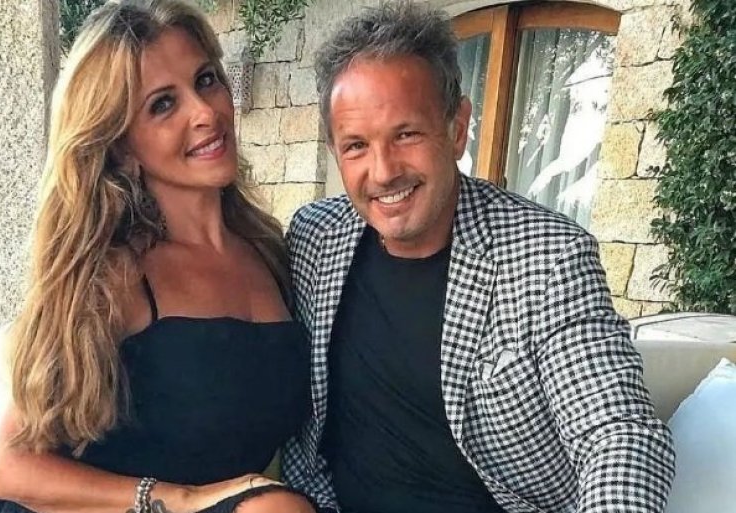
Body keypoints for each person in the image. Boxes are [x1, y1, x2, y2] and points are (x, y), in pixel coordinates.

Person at [280, 3, 675, 512]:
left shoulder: (547, 256)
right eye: (356, 145)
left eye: (406, 134)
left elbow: (617, 433)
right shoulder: (316, 237)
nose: (383, 172)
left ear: (457, 127)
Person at [0, 1, 316, 512]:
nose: (205, 113)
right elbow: (10, 468)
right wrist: (177, 499)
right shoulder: (114, 273)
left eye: (206, 80)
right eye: (163, 105)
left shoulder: (270, 252)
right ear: (121, 147)